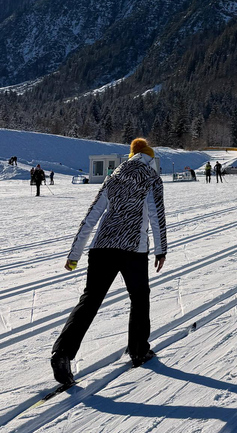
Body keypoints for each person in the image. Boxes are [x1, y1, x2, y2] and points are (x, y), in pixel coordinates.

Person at [50, 138, 167, 385]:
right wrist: (161, 249)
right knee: (139, 296)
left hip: (101, 247)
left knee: (90, 299)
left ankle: (62, 353)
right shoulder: (151, 177)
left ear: (131, 154)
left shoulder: (114, 175)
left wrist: (75, 254)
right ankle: (138, 350)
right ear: (149, 156)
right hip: (133, 248)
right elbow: (157, 215)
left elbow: (92, 214)